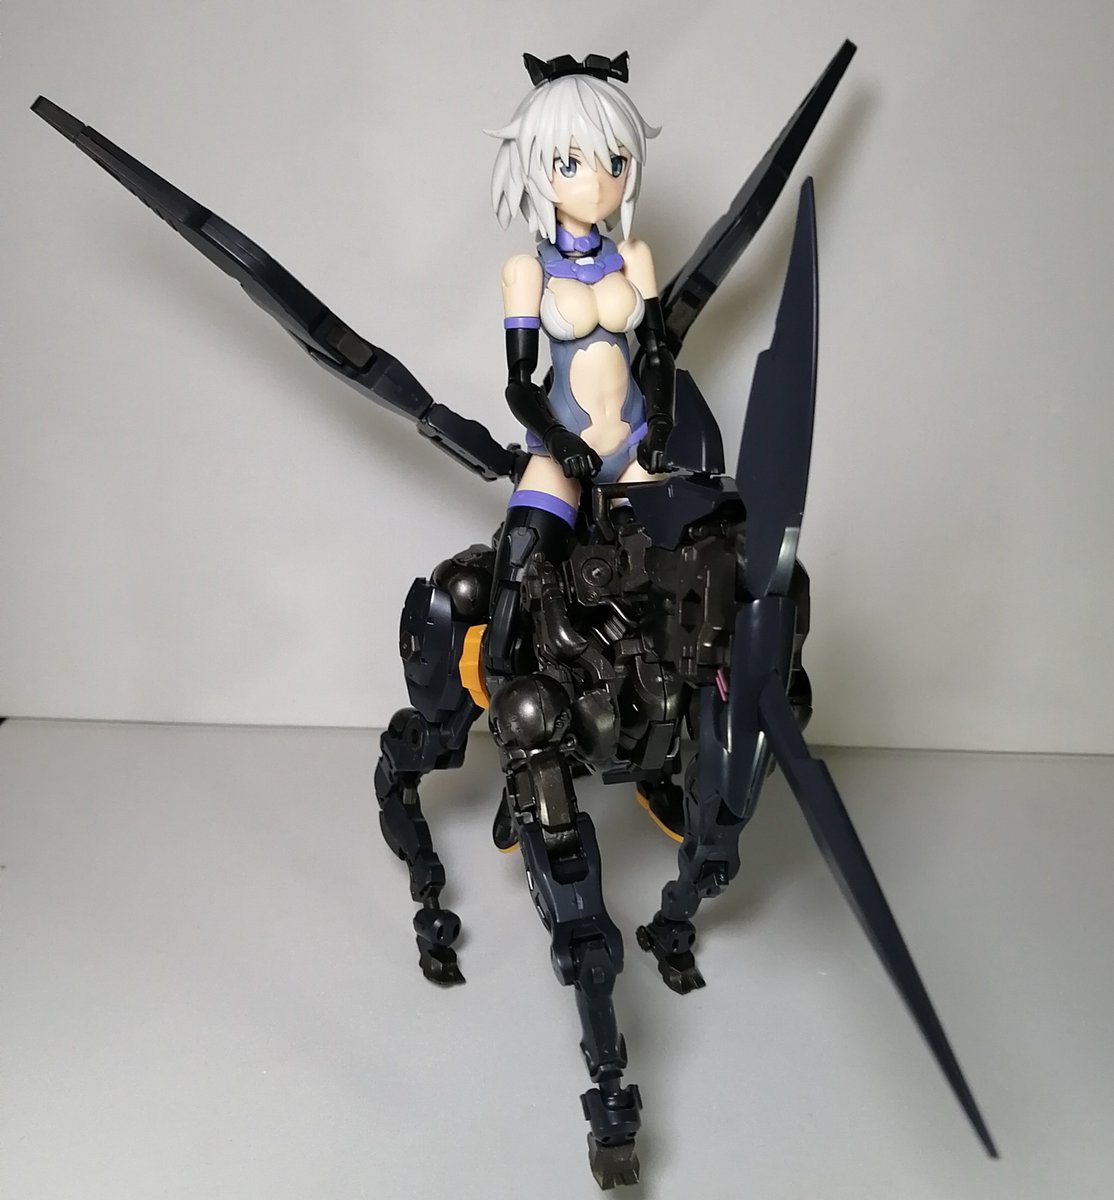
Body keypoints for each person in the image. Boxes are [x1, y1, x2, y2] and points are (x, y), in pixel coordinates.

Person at [484, 51, 675, 673]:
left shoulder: (633, 256)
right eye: (570, 163)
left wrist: (661, 424)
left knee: (674, 583)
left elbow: (657, 352)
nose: (597, 183)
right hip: (562, 449)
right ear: (536, 168)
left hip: (634, 449)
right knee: (519, 570)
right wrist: (559, 439)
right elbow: (518, 385)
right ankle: (503, 685)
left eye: (614, 163)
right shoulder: (528, 271)